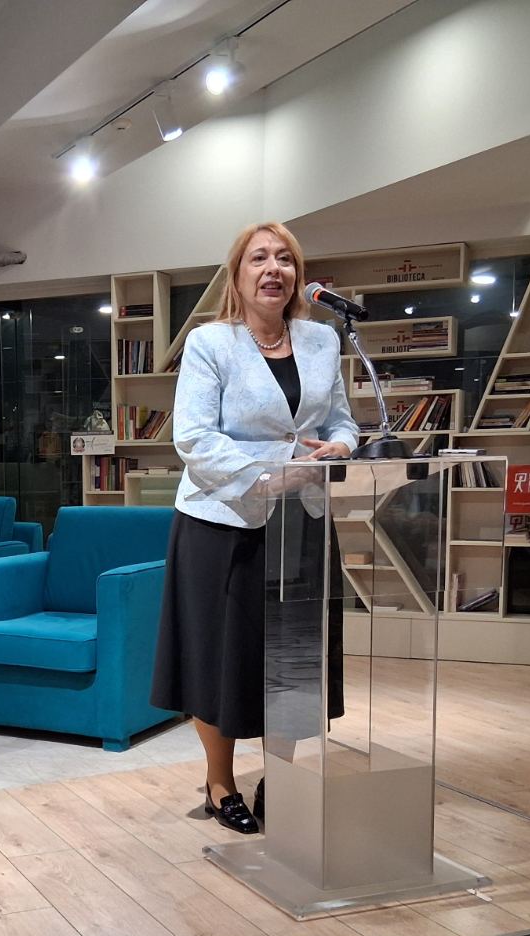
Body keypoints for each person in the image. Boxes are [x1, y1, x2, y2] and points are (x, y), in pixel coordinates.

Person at [150, 221, 358, 834]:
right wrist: (267, 476)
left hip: (303, 521)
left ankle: (282, 779)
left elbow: (342, 420)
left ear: (298, 274)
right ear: (237, 275)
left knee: (293, 656)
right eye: (259, 258)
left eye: (285, 259)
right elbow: (193, 437)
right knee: (221, 656)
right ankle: (220, 783)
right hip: (225, 523)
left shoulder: (322, 339)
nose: (274, 269)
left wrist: (341, 447)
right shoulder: (210, 343)